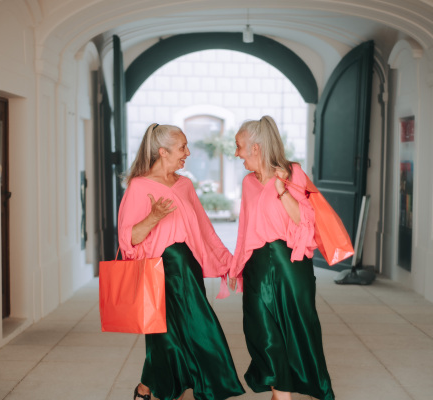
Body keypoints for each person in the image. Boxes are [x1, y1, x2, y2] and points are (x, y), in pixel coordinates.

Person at [118, 123, 245, 400]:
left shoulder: (185, 184)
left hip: (187, 270)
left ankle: (147, 388)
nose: (187, 152)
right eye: (182, 147)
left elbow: (204, 230)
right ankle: (204, 389)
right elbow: (128, 240)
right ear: (162, 152)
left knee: (188, 329)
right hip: (158, 271)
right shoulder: (139, 187)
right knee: (171, 334)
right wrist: (153, 217)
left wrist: (228, 263)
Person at [229, 116, 335, 400]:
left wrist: (281, 190)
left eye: (239, 146)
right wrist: (236, 263)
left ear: (256, 148)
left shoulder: (293, 173)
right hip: (257, 266)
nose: (236, 152)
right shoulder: (247, 183)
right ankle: (282, 394)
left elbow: (305, 220)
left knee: (298, 329)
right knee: (260, 330)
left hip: (291, 264)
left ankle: (283, 394)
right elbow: (244, 227)